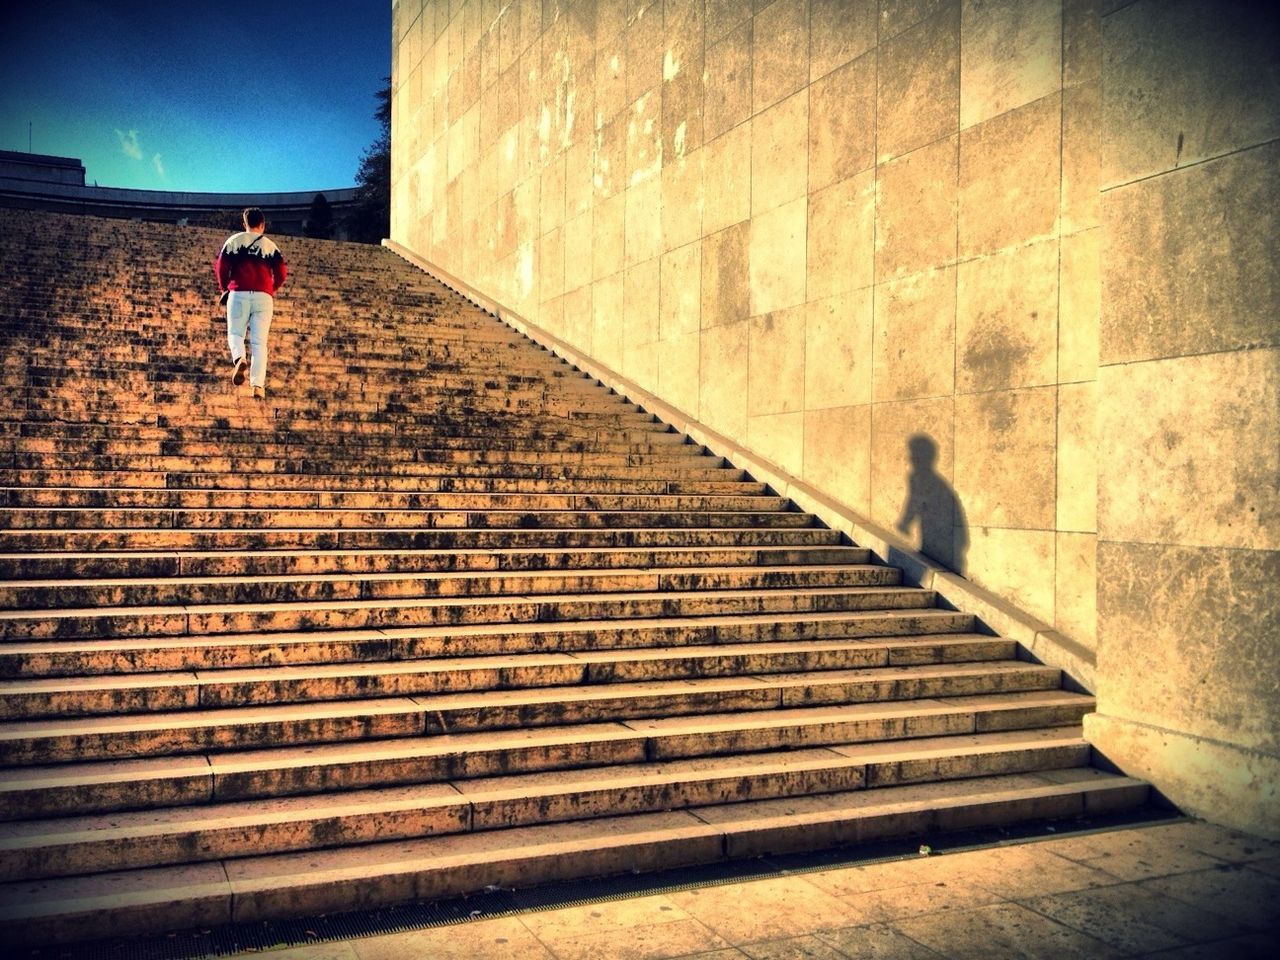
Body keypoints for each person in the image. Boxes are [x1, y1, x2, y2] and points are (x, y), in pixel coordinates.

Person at [215, 207, 287, 399]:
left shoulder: (234, 241)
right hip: (264, 296)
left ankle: (239, 358)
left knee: (235, 333)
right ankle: (258, 386)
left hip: (238, 292)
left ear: (244, 224)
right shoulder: (271, 246)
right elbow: (281, 273)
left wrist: (224, 288)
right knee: (259, 343)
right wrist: (271, 287)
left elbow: (221, 267)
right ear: (262, 224)